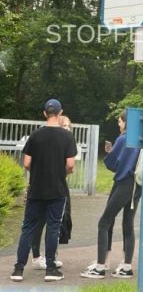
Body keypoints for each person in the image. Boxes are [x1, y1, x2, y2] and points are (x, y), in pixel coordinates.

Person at [10, 100, 77, 283]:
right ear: (60, 112)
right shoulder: (67, 137)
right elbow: (71, 165)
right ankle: (51, 269)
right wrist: (60, 172)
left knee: (28, 228)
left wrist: (39, 171)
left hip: (36, 189)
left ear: (44, 113)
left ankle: (18, 269)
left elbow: (26, 163)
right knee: (53, 228)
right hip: (57, 190)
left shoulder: (35, 135)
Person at [81, 110, 141, 279]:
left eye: (120, 121)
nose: (119, 124)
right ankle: (126, 266)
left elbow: (113, 164)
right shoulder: (141, 140)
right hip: (137, 186)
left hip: (123, 184)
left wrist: (110, 151)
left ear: (126, 122)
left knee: (104, 222)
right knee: (128, 225)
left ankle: (100, 266)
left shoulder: (123, 139)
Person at [30, 115, 73, 270]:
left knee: (57, 222)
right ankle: (37, 257)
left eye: (69, 126)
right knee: (40, 221)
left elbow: (69, 166)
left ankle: (51, 256)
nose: (67, 128)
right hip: (45, 187)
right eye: (64, 125)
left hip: (59, 185)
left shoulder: (66, 142)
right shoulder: (49, 140)